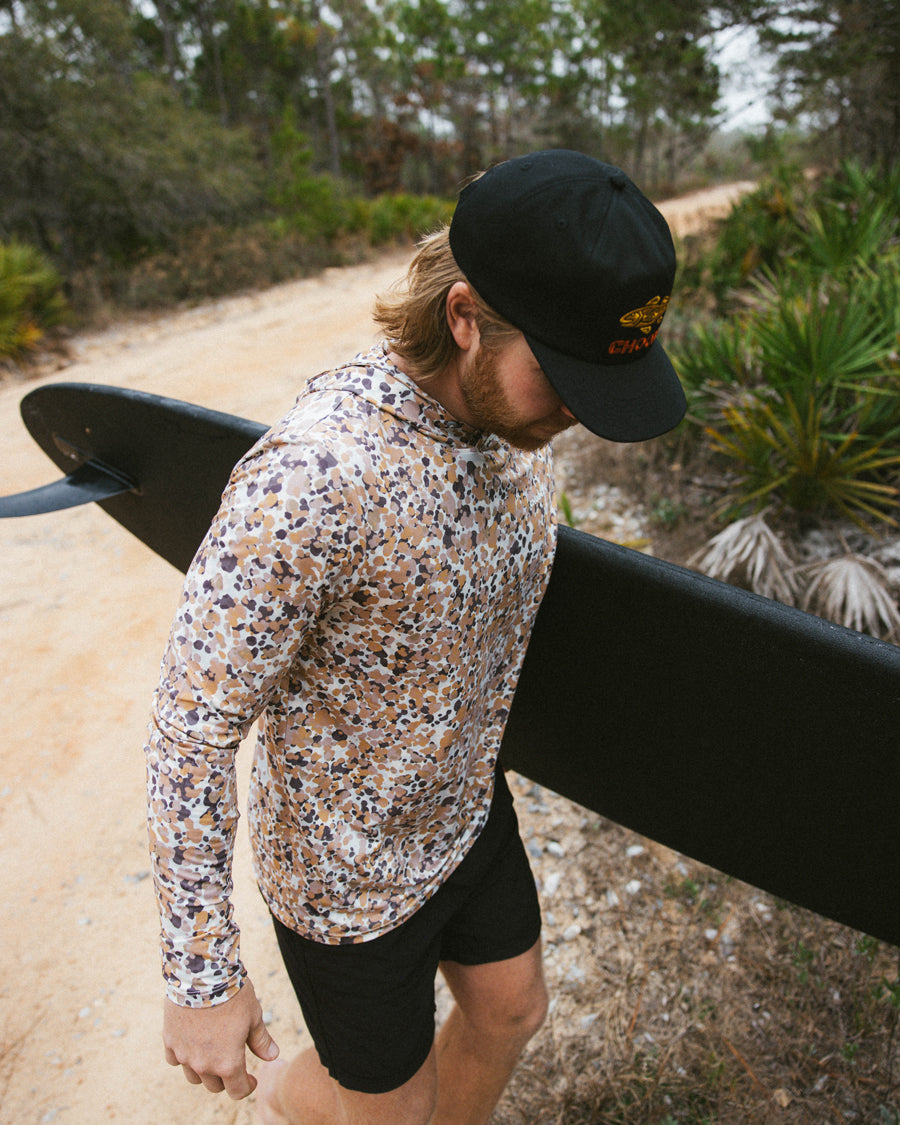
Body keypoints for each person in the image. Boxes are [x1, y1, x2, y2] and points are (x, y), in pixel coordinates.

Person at [145, 148, 686, 1125]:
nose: (577, 411)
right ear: (464, 316)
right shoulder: (314, 475)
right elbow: (192, 723)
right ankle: (291, 1093)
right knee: (392, 1109)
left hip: (464, 814)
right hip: (345, 881)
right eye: (559, 376)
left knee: (512, 1012)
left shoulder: (515, 429)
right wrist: (201, 975)